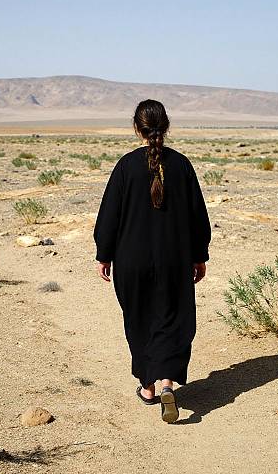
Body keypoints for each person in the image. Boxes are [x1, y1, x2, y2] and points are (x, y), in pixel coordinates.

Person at [93, 99, 211, 423]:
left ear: (137, 128)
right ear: (166, 126)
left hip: (131, 262)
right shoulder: (182, 166)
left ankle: (148, 387)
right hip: (175, 260)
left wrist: (104, 254)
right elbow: (199, 218)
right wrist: (200, 256)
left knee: (140, 318)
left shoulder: (125, 167)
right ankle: (167, 383)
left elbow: (108, 218)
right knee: (171, 318)